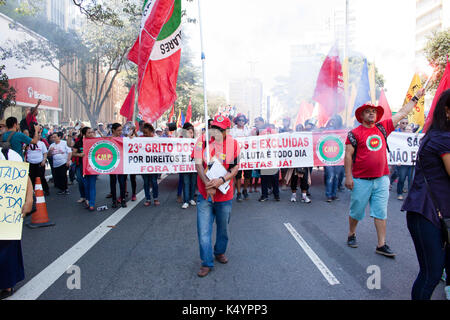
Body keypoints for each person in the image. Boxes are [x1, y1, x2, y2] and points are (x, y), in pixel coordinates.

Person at [345, 88, 426, 257]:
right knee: (356, 211)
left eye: (373, 111)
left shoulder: (383, 127)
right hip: (361, 180)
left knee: (381, 212)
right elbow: (348, 155)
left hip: (382, 179)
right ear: (361, 116)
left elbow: (403, 112)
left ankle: (381, 244)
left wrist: (416, 97)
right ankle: (351, 233)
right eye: (368, 112)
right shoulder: (354, 134)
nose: (371, 114)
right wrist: (348, 177)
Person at [401, 89, 450, 300]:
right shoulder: (443, 139)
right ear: (447, 111)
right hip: (428, 213)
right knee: (431, 273)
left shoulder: (436, 135)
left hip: (437, 212)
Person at [192, 115, 240, 277]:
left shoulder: (233, 143)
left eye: (220, 129)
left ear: (226, 130)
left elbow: (234, 169)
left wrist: (220, 181)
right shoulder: (202, 141)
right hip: (205, 195)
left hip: (224, 196)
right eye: (214, 128)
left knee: (223, 228)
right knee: (203, 231)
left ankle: (219, 251)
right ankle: (206, 262)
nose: (216, 131)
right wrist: (207, 184)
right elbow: (198, 164)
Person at [0, 147, 34, 300]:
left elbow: (24, 177)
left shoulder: (8, 154)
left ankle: (6, 283)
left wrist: (29, 199)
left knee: (7, 248)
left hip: (6, 212)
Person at [72, 127, 97, 210]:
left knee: (92, 185)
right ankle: (87, 200)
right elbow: (73, 153)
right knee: (85, 184)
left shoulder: (96, 141)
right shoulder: (79, 143)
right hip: (82, 167)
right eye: (89, 132)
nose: (91, 134)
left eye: (92, 132)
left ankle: (92, 203)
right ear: (84, 134)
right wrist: (80, 155)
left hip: (93, 167)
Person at [230, 113, 251, 202]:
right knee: (238, 175)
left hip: (248, 155)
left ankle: (245, 190)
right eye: (239, 120)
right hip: (236, 155)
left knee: (248, 174)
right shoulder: (232, 131)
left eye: (243, 120)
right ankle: (238, 192)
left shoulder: (249, 130)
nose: (241, 122)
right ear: (236, 121)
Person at [323, 115, 345, 202]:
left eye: (335, 120)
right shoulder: (329, 129)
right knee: (331, 176)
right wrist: (328, 122)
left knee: (336, 176)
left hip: (339, 157)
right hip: (328, 157)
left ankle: (334, 194)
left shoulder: (343, 130)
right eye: (333, 120)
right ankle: (328, 195)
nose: (334, 121)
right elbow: (322, 135)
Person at [289, 124, 311, 203]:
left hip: (304, 161)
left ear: (303, 129)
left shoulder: (306, 137)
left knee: (304, 179)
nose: (299, 129)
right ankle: (293, 195)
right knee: (294, 179)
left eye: (300, 128)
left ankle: (304, 196)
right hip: (295, 162)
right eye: (297, 128)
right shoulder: (292, 137)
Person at [258, 125, 280, 202]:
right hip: (265, 161)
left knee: (272, 179)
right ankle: (273, 195)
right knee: (267, 179)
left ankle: (272, 195)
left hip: (273, 161)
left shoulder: (274, 136)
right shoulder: (274, 134)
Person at [25, 127, 50, 196]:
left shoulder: (42, 143)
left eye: (39, 135)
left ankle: (46, 190)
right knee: (31, 178)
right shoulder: (28, 143)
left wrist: (44, 160)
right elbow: (25, 152)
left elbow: (45, 153)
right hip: (30, 163)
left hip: (39, 163)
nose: (39, 136)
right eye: (38, 135)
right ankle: (31, 192)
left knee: (41, 177)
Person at [141, 123, 160, 206]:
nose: (145, 135)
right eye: (144, 133)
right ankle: (148, 199)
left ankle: (155, 198)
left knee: (154, 181)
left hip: (153, 165)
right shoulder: (140, 138)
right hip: (144, 165)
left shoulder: (157, 139)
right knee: (146, 183)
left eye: (146, 133)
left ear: (151, 132)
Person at [109, 123, 127, 208]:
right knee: (113, 182)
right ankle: (114, 200)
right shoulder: (108, 138)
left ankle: (123, 199)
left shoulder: (123, 138)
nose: (120, 132)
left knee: (122, 182)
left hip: (121, 163)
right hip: (112, 163)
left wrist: (131, 139)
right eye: (118, 130)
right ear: (113, 130)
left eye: (121, 130)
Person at [181, 122, 197, 209]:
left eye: (191, 132)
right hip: (185, 165)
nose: (190, 134)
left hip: (194, 165)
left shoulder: (196, 141)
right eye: (188, 132)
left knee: (193, 182)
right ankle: (186, 201)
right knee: (186, 182)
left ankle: (191, 198)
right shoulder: (180, 141)